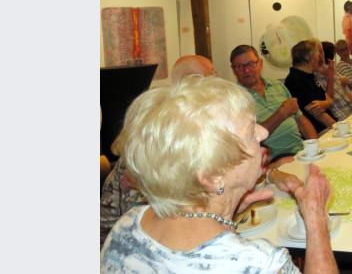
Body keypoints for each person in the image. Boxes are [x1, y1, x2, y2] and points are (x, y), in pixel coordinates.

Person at [100, 75, 337, 273]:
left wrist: (225, 213)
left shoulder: (127, 224)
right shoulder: (256, 263)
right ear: (212, 177)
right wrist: (315, 218)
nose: (264, 132)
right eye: (250, 132)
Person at [101, 55, 216, 247]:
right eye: (210, 76)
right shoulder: (159, 136)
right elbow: (146, 223)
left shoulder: (193, 124)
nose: (216, 83)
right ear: (190, 83)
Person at [230, 45, 318, 160]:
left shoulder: (277, 85)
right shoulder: (233, 99)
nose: (246, 70)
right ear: (233, 70)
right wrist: (282, 113)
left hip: (301, 153)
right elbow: (250, 139)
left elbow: (301, 121)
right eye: (239, 67)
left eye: (250, 64)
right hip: (273, 162)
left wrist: (315, 146)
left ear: (260, 64)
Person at [284, 40, 337, 133]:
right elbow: (318, 113)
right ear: (310, 57)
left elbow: (327, 98)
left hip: (329, 126)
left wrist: (327, 102)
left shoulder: (308, 75)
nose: (320, 57)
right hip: (321, 131)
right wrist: (338, 128)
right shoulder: (295, 80)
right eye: (318, 54)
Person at [317, 41, 352, 120]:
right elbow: (329, 101)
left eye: (322, 52)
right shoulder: (316, 78)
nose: (321, 55)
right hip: (344, 117)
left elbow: (347, 90)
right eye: (341, 50)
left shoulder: (332, 69)